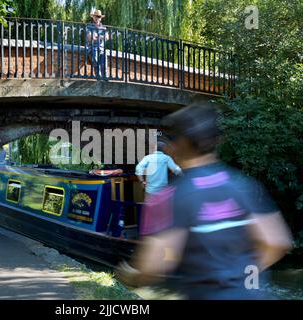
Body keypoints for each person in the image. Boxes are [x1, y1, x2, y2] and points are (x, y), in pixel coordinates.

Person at [116, 103, 293, 299]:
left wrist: (131, 275)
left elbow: (154, 264)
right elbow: (277, 242)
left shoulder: (171, 196)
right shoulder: (242, 184)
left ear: (180, 144)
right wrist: (240, 274)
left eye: (170, 141)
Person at [86, 9, 109, 79]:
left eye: (98, 17)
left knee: (104, 57)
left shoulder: (103, 28)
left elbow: (107, 37)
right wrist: (100, 37)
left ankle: (105, 75)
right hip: (92, 48)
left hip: (101, 49)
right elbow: (90, 37)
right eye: (95, 16)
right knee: (95, 54)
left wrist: (97, 36)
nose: (97, 18)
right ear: (93, 17)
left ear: (100, 18)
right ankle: (98, 75)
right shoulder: (89, 26)